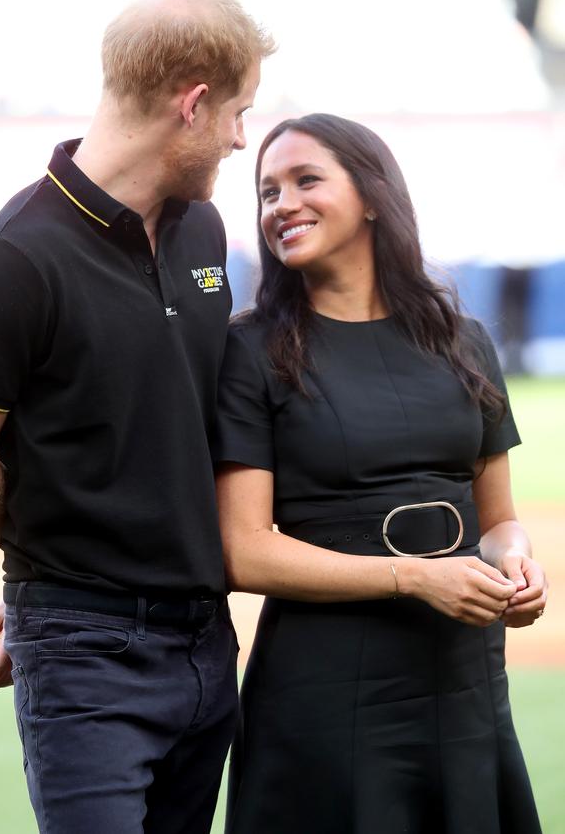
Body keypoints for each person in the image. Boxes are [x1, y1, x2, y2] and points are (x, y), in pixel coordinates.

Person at [0, 0, 274, 834]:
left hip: (205, 640)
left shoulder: (204, 231)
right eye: (238, 112)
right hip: (86, 652)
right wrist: (62, 566)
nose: (239, 136)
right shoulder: (12, 259)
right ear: (192, 104)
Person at [214, 114, 547, 834]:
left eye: (306, 180)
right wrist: (415, 576)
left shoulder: (464, 341)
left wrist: (515, 564)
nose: (281, 204)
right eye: (268, 191)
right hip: (325, 686)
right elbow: (244, 549)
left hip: (461, 680)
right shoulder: (250, 350)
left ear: (370, 195)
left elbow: (498, 522)